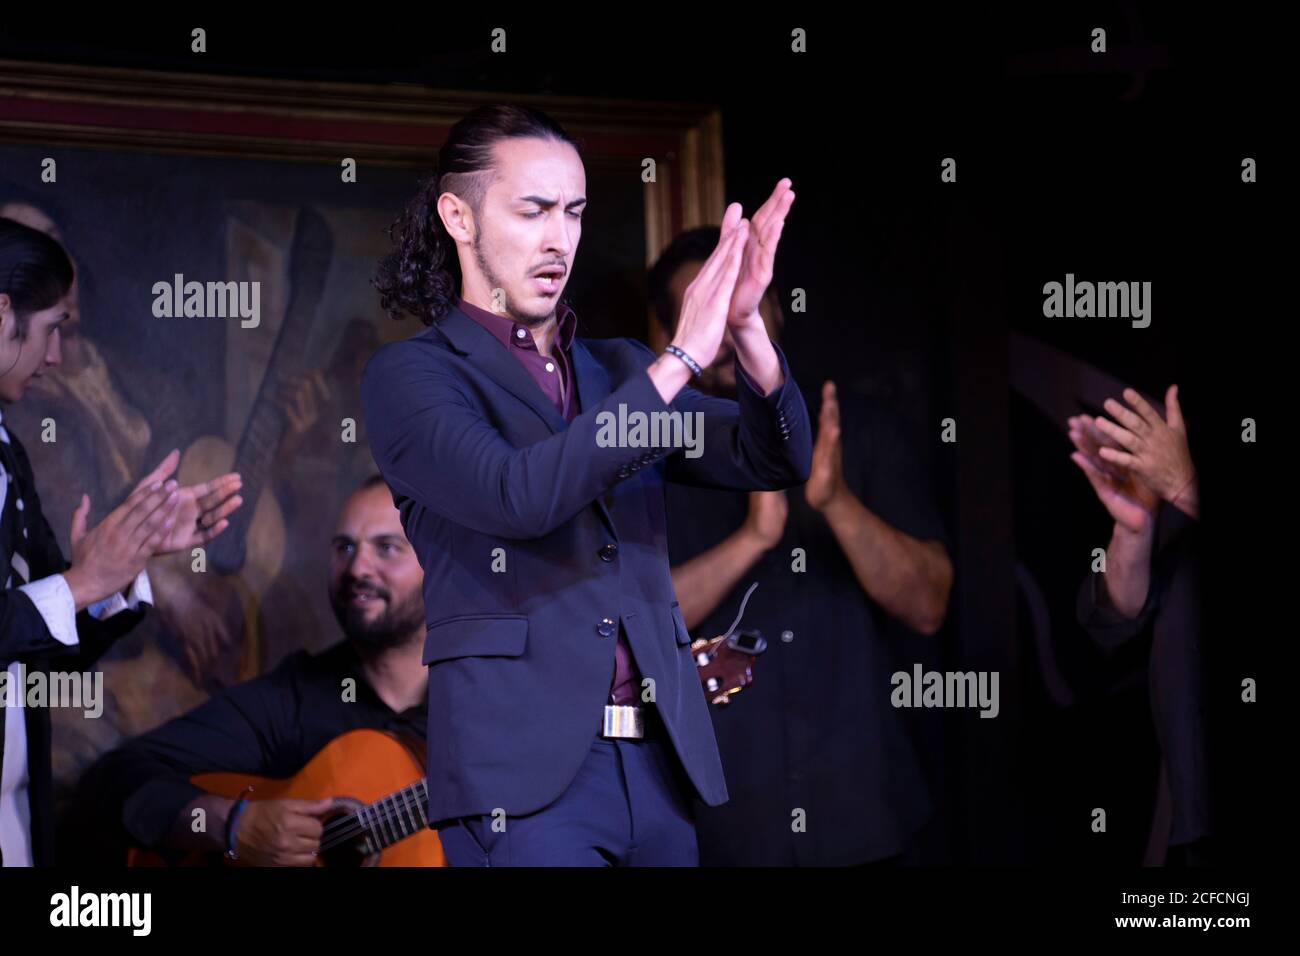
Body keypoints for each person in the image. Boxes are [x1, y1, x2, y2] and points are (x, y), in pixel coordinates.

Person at [362, 104, 811, 866]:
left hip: (659, 770)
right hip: (521, 786)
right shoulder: (413, 376)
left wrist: (745, 334)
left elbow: (772, 458)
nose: (558, 239)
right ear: (458, 217)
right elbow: (519, 496)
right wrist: (680, 361)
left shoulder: (621, 371)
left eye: (572, 211)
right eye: (532, 210)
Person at [650, 226, 953, 865]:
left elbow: (927, 604)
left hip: (865, 818)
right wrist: (753, 539)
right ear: (674, 336)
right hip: (721, 831)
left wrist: (836, 502)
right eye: (710, 313)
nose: (733, 330)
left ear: (776, 308)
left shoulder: (859, 430)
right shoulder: (647, 457)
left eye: (745, 305)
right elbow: (633, 634)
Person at [0, 217, 242, 866]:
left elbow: (39, 655)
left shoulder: (9, 455)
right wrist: (80, 582)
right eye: (52, 328)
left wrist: (123, 568)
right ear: (2, 315)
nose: (55, 356)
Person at [70, 475, 437, 866]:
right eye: (344, 547)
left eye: (387, 548)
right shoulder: (293, 699)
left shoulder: (494, 702)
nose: (357, 567)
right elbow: (113, 782)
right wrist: (233, 826)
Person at [1068, 385, 1210, 865]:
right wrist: (1134, 529)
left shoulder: (1180, 470)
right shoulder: (1183, 439)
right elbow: (1118, 617)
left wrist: (1185, 488)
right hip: (1193, 815)